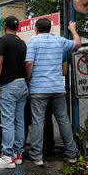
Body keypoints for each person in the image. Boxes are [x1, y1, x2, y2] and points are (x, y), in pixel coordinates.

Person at [25, 19, 81, 165]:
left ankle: (37, 156)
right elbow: (77, 44)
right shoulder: (59, 41)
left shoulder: (33, 41)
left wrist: (29, 80)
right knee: (63, 120)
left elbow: (29, 63)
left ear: (36, 29)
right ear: (50, 29)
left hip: (39, 88)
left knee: (38, 121)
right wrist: (72, 29)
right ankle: (72, 154)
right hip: (57, 87)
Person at [0, 16, 27, 169]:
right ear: (17, 27)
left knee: (7, 121)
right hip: (22, 84)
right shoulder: (22, 43)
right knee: (19, 120)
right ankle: (18, 154)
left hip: (9, 85)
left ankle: (7, 156)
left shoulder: (2, 40)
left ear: (5, 26)